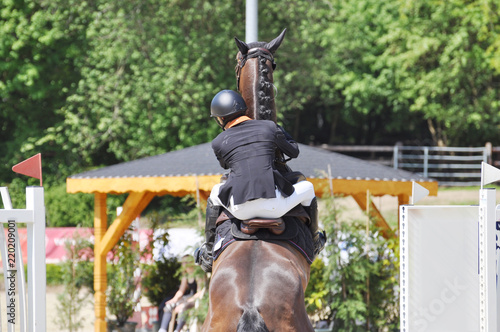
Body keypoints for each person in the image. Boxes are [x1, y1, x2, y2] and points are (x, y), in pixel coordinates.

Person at [195, 90, 326, 273]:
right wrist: (277, 129)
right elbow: (294, 151)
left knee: (215, 193)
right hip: (275, 207)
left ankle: (209, 253)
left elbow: (227, 164)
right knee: (308, 188)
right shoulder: (269, 127)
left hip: (240, 210)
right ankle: (314, 243)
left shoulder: (218, 142)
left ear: (221, 119)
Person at [158, 255, 204, 332]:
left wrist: (184, 303)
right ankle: (162, 329)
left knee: (183, 307)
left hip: (196, 299)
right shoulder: (186, 275)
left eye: (185, 262)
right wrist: (174, 300)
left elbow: (200, 292)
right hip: (188, 297)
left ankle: (178, 330)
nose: (183, 264)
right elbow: (181, 291)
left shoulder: (197, 273)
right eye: (182, 262)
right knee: (169, 306)